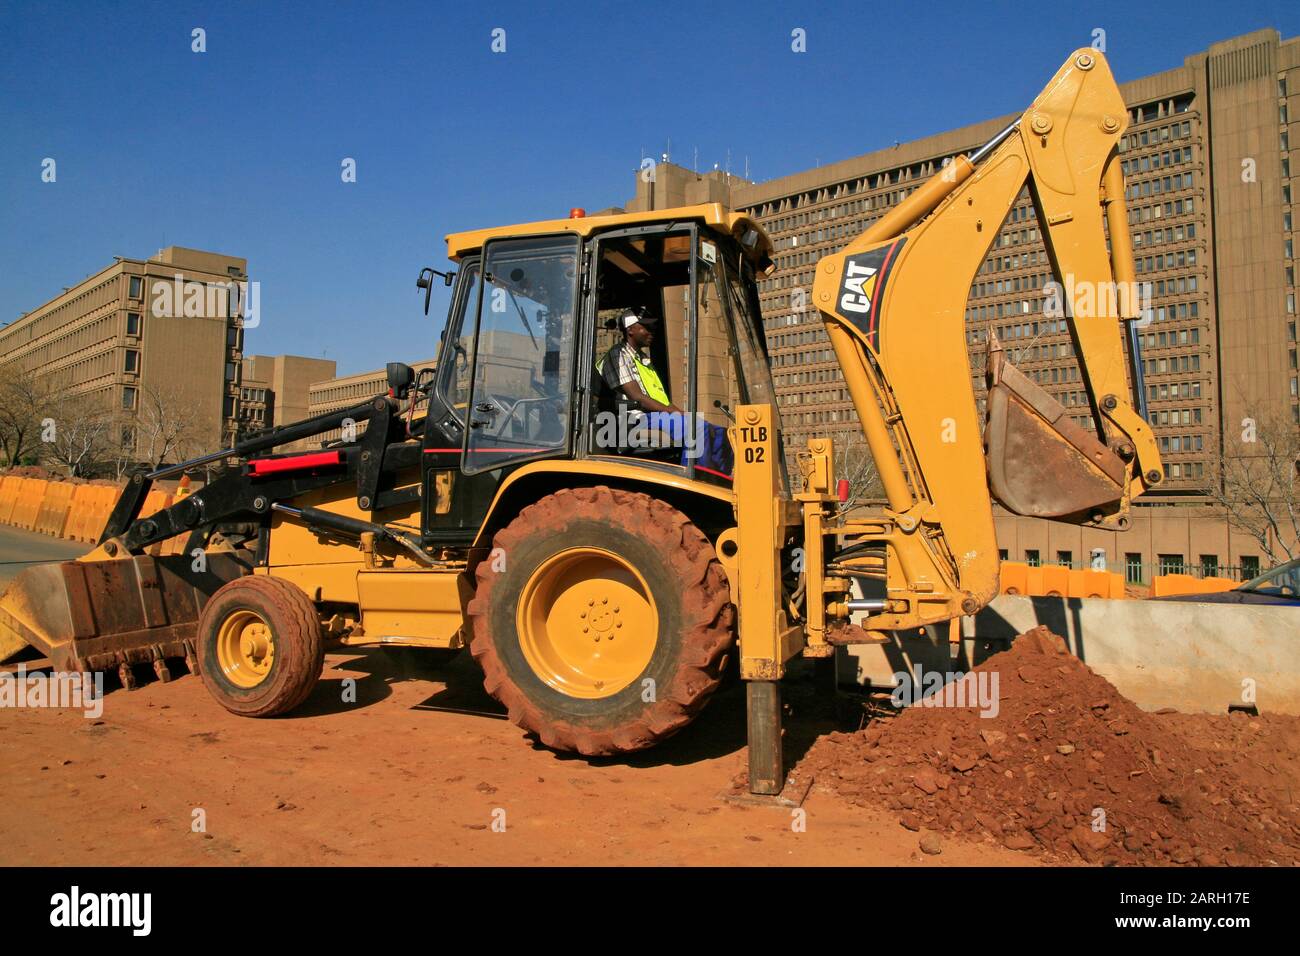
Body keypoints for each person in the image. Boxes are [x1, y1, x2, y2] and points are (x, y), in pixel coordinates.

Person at [598, 310, 683, 418]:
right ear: (630, 330)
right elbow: (637, 397)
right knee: (692, 426)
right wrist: (676, 414)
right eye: (647, 327)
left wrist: (685, 416)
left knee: (698, 424)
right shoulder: (618, 354)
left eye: (652, 327)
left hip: (654, 416)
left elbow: (664, 402)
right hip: (632, 419)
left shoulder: (643, 359)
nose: (652, 331)